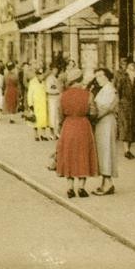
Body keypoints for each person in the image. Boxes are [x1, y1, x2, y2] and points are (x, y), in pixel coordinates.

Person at [54, 68, 98, 198]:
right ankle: (81, 188)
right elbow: (94, 112)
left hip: (68, 126)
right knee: (83, 155)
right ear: (81, 79)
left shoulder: (63, 95)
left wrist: (61, 126)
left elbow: (60, 114)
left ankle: (70, 187)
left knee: (69, 155)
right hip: (83, 126)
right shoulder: (88, 94)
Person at [91, 68, 119, 195]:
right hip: (102, 124)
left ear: (107, 76)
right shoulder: (104, 89)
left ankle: (108, 183)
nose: (98, 79)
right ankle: (105, 182)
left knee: (106, 150)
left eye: (101, 76)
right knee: (102, 151)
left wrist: (93, 117)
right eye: (96, 76)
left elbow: (106, 108)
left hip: (106, 122)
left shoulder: (110, 89)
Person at [116, 61, 135, 159]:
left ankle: (128, 149)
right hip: (125, 107)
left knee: (132, 129)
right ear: (127, 71)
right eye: (132, 70)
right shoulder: (123, 80)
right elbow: (118, 92)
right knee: (125, 128)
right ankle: (126, 151)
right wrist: (119, 105)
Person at [27, 68, 51, 141]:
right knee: (35, 120)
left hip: (43, 103)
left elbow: (45, 92)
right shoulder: (32, 82)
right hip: (36, 103)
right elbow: (30, 94)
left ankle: (43, 134)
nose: (41, 76)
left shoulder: (43, 82)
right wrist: (30, 104)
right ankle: (36, 135)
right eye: (39, 74)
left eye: (42, 74)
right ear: (37, 75)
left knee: (44, 119)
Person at [45, 65, 62, 137]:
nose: (56, 71)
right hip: (52, 98)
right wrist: (57, 91)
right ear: (52, 70)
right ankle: (52, 133)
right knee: (52, 115)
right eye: (54, 69)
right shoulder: (49, 79)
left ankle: (57, 132)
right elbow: (48, 89)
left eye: (57, 69)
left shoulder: (56, 78)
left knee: (57, 116)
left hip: (57, 98)